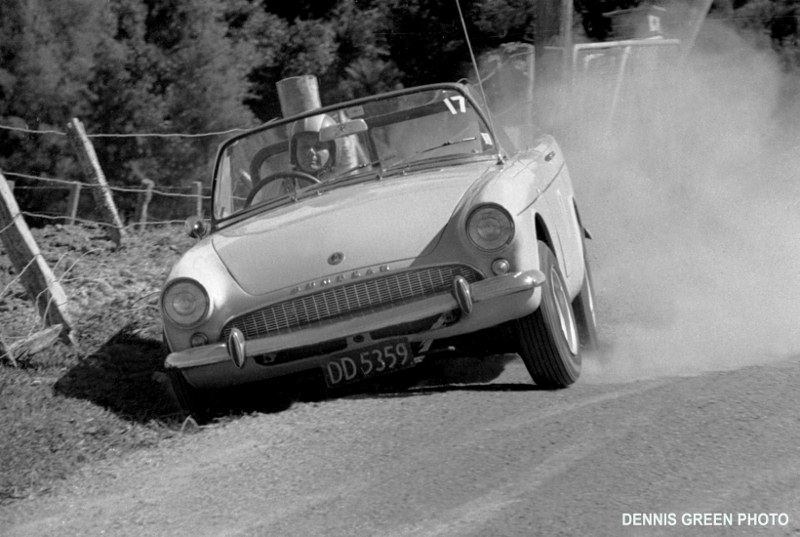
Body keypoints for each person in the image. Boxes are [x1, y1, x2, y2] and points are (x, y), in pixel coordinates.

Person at [290, 114, 364, 179]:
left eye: (318, 146)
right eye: (304, 147)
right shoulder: (286, 185)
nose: (311, 152)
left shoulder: (346, 181)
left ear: (333, 151)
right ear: (294, 151)